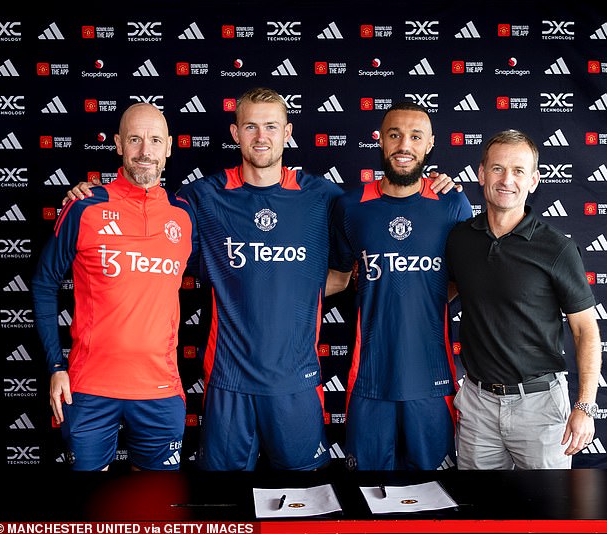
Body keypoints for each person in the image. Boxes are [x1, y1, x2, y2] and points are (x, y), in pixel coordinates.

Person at [64, 88, 457, 471]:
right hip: (228, 382)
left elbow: (365, 245)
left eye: (271, 126)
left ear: (287, 133)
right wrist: (89, 196)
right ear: (236, 134)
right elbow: (143, 217)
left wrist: (434, 185)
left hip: (296, 382)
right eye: (250, 127)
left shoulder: (325, 197)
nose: (261, 136)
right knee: (222, 504)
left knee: (308, 501)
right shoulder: (201, 197)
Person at [31, 103, 198, 471]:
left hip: (161, 389)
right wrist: (55, 366)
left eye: (155, 140)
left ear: (169, 147)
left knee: (155, 509)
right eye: (135, 139)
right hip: (89, 387)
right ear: (119, 144)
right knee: (93, 515)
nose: (145, 151)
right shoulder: (84, 206)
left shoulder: (184, 215)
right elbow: (44, 284)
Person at [446, 129, 602, 470]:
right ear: (481, 174)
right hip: (477, 404)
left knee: (549, 515)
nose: (507, 180)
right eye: (498, 168)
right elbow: (443, 291)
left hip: (541, 407)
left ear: (533, 180)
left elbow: (585, 331)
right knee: (479, 516)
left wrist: (585, 407)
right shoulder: (460, 239)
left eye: (518, 171)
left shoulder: (557, 248)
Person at [329, 101, 472, 471]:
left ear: (429, 145)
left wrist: (421, 293)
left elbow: (462, 279)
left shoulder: (452, 204)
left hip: (431, 376)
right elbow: (341, 277)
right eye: (394, 135)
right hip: (370, 377)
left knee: (437, 496)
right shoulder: (350, 206)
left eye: (414, 136)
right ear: (381, 141)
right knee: (367, 496)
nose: (403, 144)